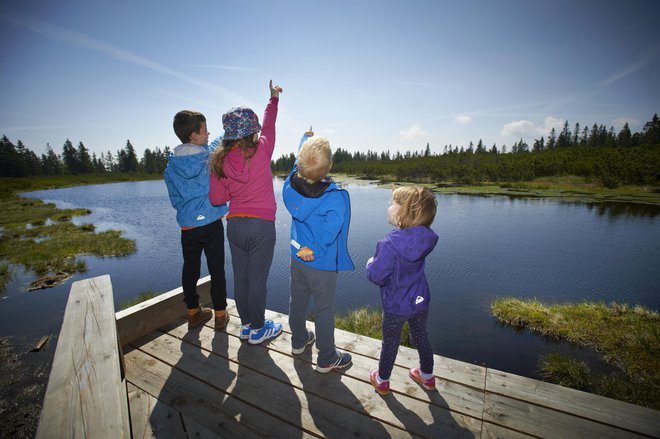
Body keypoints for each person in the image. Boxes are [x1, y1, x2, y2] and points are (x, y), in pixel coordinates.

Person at [209, 80, 283, 345]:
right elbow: (270, 123)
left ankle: (247, 326)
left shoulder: (218, 161)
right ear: (253, 132)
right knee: (258, 280)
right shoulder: (261, 150)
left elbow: (217, 198)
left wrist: (230, 189)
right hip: (262, 226)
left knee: (240, 277)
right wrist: (273, 99)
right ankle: (259, 329)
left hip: (235, 225)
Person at [282, 129, 354, 373]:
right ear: (329, 166)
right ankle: (326, 357)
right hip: (321, 264)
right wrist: (315, 248)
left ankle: (298, 341)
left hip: (297, 258)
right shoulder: (334, 198)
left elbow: (298, 163)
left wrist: (304, 139)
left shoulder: (289, 184)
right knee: (324, 311)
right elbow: (330, 232)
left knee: (298, 302)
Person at [366, 185, 439, 394]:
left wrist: (370, 263)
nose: (389, 206)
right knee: (420, 336)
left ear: (404, 213)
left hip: (396, 305)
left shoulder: (388, 245)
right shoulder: (425, 238)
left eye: (393, 203)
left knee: (390, 342)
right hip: (419, 300)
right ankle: (427, 377)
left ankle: (382, 380)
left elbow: (377, 276)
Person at [164, 110, 229, 331]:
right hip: (211, 223)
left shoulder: (171, 166)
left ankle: (193, 312)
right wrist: (231, 127)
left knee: (190, 268)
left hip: (188, 225)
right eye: (204, 129)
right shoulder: (207, 157)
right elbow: (220, 142)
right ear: (194, 135)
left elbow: (174, 198)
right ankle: (220, 314)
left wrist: (187, 210)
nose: (208, 132)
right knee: (216, 268)